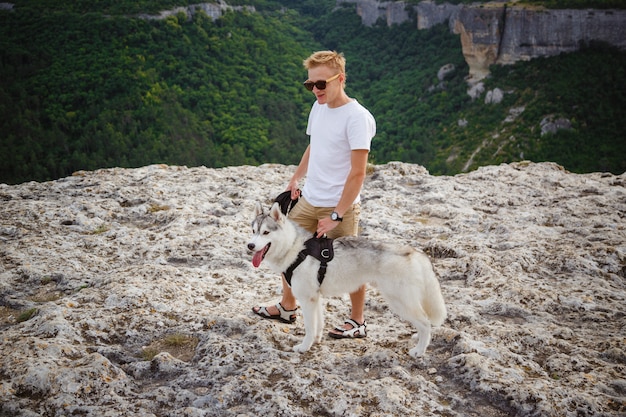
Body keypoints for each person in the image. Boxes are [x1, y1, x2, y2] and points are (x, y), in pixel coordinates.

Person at [252, 50, 376, 339]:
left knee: (352, 264)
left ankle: (357, 321)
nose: (315, 90)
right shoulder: (319, 107)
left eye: (321, 84)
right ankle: (287, 306)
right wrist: (296, 177)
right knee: (285, 252)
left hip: (339, 205)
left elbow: (358, 173)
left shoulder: (358, 118)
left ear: (340, 79)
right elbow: (314, 145)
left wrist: (336, 215)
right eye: (310, 85)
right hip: (309, 200)